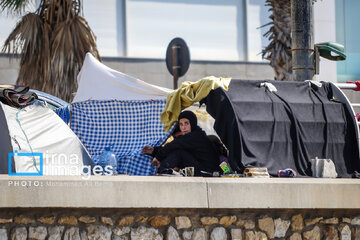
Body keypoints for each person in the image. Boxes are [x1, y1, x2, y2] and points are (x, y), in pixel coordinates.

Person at [142, 110, 220, 176]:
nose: (183, 127)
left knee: (179, 153)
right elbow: (174, 146)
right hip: (201, 168)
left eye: (186, 123)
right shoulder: (192, 136)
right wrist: (154, 151)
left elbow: (174, 145)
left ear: (192, 123)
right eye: (181, 124)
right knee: (178, 151)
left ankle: (162, 172)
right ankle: (164, 171)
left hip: (207, 172)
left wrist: (158, 157)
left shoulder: (196, 136)